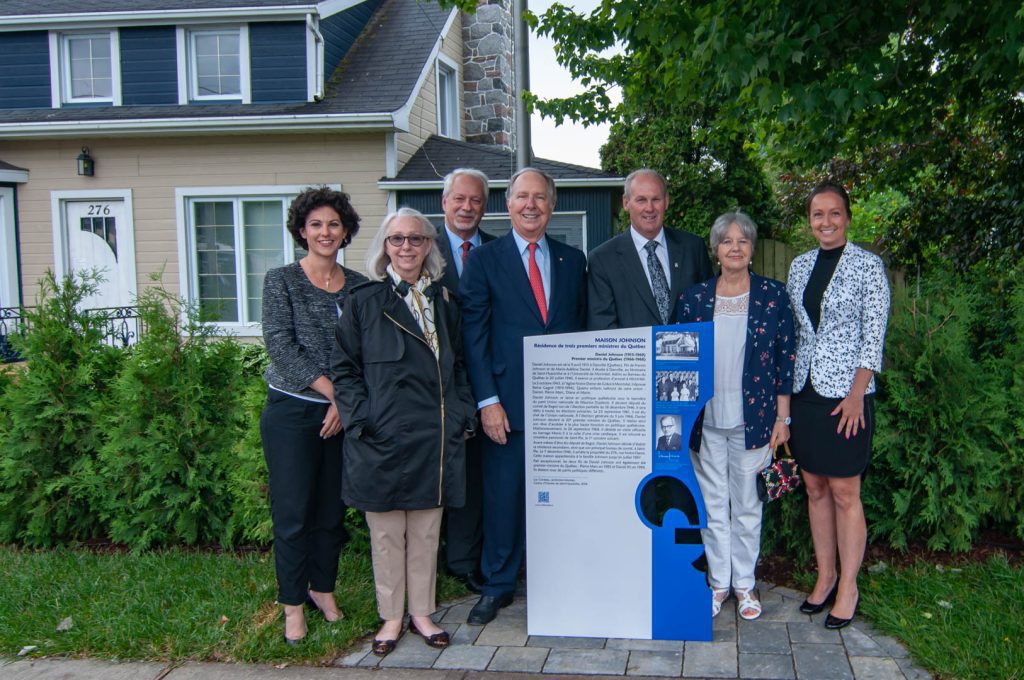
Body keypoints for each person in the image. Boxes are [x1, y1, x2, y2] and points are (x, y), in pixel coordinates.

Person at [331, 208, 476, 656]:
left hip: (435, 437)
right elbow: (344, 370)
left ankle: (422, 614)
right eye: (397, 239)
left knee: (427, 533)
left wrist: (461, 414)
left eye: (416, 238)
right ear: (385, 246)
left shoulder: (445, 301)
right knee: (387, 534)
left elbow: (459, 367)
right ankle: (391, 617)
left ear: (429, 245)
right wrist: (361, 420)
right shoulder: (363, 301)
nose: (407, 247)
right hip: (382, 437)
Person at [459, 167, 587, 625]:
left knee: (562, 499)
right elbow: (473, 336)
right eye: (522, 197)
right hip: (507, 405)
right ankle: (497, 585)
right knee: (504, 498)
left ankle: (559, 581)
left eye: (540, 197)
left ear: (552, 206)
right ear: (508, 204)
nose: (531, 205)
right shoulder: (484, 260)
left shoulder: (573, 260)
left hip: (562, 406)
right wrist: (487, 401)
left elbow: (582, 330)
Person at [260, 186, 367, 645]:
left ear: (345, 232)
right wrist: (335, 394)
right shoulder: (281, 280)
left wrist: (343, 403)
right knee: (293, 513)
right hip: (292, 412)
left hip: (341, 415)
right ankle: (292, 604)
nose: (326, 232)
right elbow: (281, 347)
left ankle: (322, 588)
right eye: (316, 224)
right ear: (302, 231)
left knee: (330, 511)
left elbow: (366, 352)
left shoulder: (360, 286)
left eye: (334, 224)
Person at [677, 211, 796, 621]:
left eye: (742, 241)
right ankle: (719, 584)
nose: (735, 248)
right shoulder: (693, 299)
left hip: (755, 420)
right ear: (716, 249)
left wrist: (783, 419)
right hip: (704, 421)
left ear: (752, 248)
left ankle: (745, 584)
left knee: (747, 506)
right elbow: (677, 361)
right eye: (727, 241)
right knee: (712, 507)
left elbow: (785, 359)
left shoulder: (772, 296)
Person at [785, 181, 890, 630]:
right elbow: (795, 332)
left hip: (847, 397)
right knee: (814, 488)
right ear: (809, 221)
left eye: (834, 213)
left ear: (847, 217)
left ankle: (849, 586)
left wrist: (856, 395)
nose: (825, 222)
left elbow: (873, 335)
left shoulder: (869, 266)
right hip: (806, 394)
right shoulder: (799, 266)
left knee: (846, 492)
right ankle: (825, 576)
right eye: (817, 214)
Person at [435, 168, 495, 594]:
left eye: (475, 200)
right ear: (444, 202)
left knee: (476, 476)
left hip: (488, 379)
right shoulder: (421, 247)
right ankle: (442, 560)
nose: (467, 207)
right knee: (443, 473)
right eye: (459, 199)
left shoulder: (497, 251)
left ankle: (467, 559)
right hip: (436, 383)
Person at [587, 168, 713, 329]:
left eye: (656, 199)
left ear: (666, 201)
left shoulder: (693, 248)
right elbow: (604, 329)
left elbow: (708, 309)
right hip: (632, 347)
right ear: (626, 203)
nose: (649, 208)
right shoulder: (602, 260)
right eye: (641, 200)